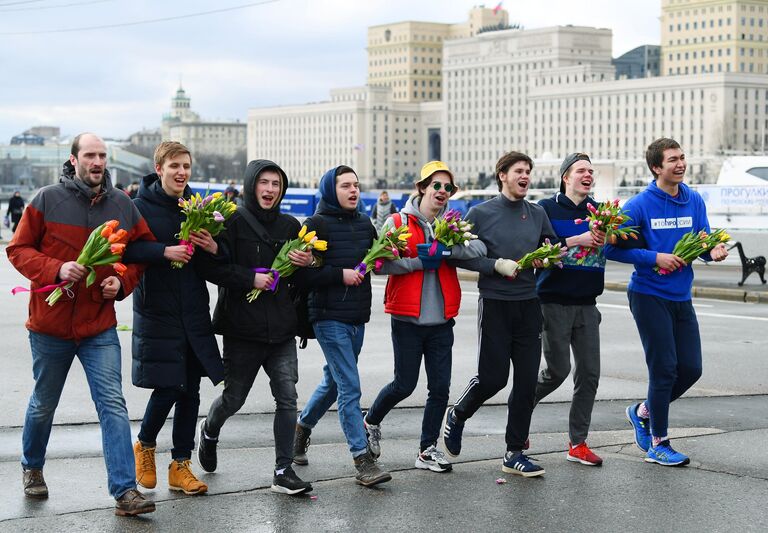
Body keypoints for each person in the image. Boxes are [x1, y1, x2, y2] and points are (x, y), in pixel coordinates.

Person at [6, 133, 156, 516]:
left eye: (102, 155)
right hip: (50, 325)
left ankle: (125, 491)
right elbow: (18, 249)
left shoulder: (122, 204)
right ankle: (32, 466)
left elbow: (140, 253)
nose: (97, 161)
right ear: (73, 160)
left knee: (112, 404)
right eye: (89, 155)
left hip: (97, 326)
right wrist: (56, 268)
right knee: (44, 403)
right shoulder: (45, 199)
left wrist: (120, 282)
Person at [604, 138, 728, 466]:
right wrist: (653, 257)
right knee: (664, 369)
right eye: (672, 159)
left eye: (682, 157)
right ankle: (659, 442)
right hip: (648, 295)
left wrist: (712, 252)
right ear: (657, 167)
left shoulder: (694, 200)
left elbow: (703, 238)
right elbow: (609, 247)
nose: (680, 164)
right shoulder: (639, 205)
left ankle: (642, 411)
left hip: (681, 295)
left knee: (691, 368)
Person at [195, 159, 314, 496]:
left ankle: (282, 469)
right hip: (241, 328)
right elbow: (212, 268)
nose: (270, 190)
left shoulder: (291, 226)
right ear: (251, 185)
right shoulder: (231, 221)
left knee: (288, 398)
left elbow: (300, 278)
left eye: (276, 184)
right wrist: (251, 278)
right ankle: (210, 430)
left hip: (280, 329)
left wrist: (308, 262)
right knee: (234, 398)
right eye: (264, 182)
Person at [364, 161, 485, 473]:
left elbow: (479, 249)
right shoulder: (397, 222)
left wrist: (450, 250)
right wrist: (418, 261)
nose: (442, 192)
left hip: (442, 321)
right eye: (436, 185)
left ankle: (427, 450)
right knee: (404, 384)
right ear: (422, 188)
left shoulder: (455, 225)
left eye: (448, 188)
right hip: (407, 319)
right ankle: (371, 421)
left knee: (440, 388)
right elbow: (378, 264)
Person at [442, 151, 557, 478]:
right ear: (502, 175)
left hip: (529, 305)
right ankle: (458, 414)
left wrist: (544, 259)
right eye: (519, 171)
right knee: (493, 378)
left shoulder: (536, 214)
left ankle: (514, 451)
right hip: (495, 303)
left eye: (528, 172)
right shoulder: (480, 213)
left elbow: (551, 247)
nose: (525, 176)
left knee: (525, 383)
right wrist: (494, 265)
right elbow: (457, 256)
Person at [123, 142, 224, 496]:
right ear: (159, 167)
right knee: (169, 385)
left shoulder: (197, 207)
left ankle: (181, 465)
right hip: (158, 309)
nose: (181, 173)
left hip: (194, 308)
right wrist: (163, 251)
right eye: (175, 166)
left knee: (191, 389)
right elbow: (124, 249)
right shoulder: (138, 206)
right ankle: (145, 445)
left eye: (186, 166)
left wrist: (213, 247)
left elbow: (216, 262)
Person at [292, 166, 392, 487]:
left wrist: (385, 256)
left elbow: (377, 262)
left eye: (356, 185)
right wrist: (340, 274)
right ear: (329, 189)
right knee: (350, 386)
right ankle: (362, 459)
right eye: (345, 185)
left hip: (357, 315)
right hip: (327, 316)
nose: (353, 191)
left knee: (334, 383)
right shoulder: (314, 225)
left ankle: (302, 427)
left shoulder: (365, 223)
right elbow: (301, 275)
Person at [533, 153, 607, 467]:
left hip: (587, 305)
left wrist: (612, 237)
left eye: (591, 171)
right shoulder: (545, 210)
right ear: (566, 177)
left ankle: (578, 443)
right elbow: (539, 251)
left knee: (589, 374)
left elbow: (623, 242)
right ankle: (520, 412)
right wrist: (579, 239)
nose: (587, 175)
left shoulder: (603, 212)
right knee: (556, 372)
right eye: (581, 170)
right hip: (553, 302)